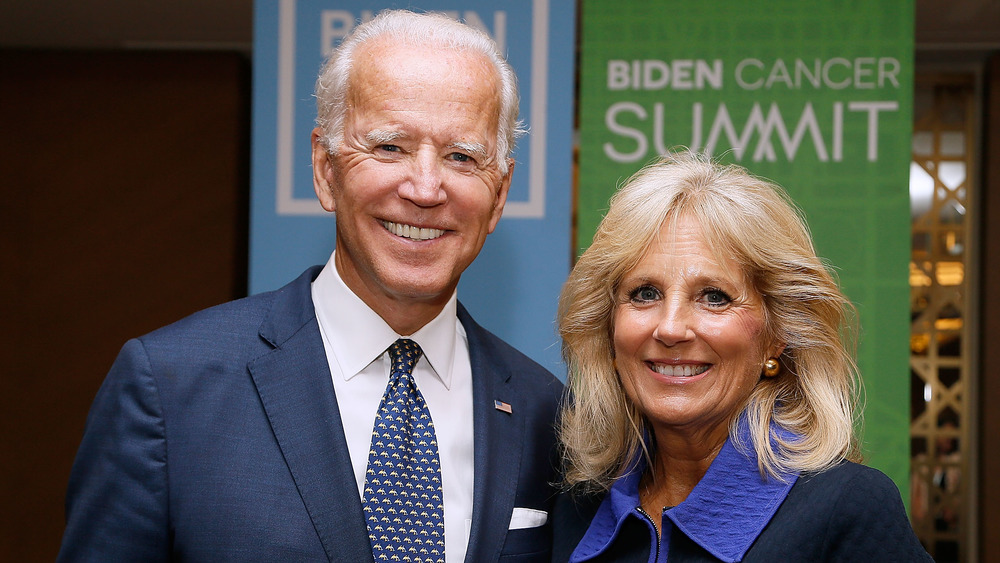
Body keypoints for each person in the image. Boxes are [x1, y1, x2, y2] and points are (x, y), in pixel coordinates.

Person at [59, 10, 562, 563]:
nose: (424, 188)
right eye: (390, 147)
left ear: (500, 192)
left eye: (461, 157)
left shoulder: (546, 414)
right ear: (325, 168)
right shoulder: (171, 388)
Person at [550, 153, 931, 562]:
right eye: (645, 293)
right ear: (608, 328)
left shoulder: (848, 509)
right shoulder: (579, 505)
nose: (671, 328)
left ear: (776, 337)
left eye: (714, 297)